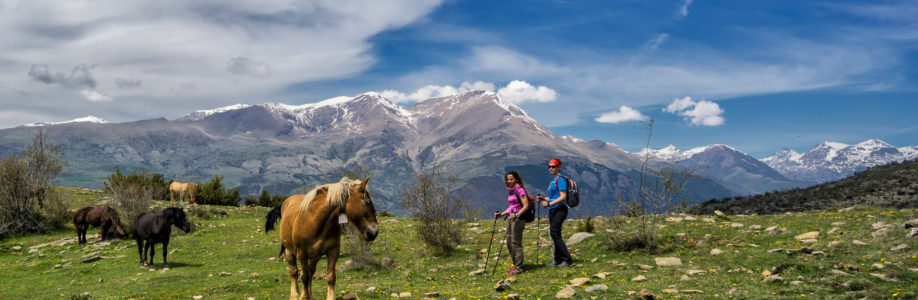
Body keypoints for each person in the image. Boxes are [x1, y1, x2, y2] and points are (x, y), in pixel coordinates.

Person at [538, 158, 573, 267]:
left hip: (560, 209)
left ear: (559, 167)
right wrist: (545, 199)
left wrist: (549, 204)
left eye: (554, 166)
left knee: (554, 234)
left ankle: (568, 260)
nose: (551, 168)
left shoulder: (560, 179)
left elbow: (563, 196)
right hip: (553, 209)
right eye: (550, 166)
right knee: (555, 234)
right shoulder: (554, 180)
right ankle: (558, 260)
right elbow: (555, 197)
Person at [495, 170, 531, 275]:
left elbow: (526, 206)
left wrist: (517, 215)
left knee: (516, 243)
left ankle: (519, 268)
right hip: (511, 218)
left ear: (516, 179)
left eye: (512, 179)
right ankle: (516, 265)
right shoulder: (512, 190)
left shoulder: (520, 190)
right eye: (508, 179)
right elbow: (512, 206)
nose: (510, 181)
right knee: (509, 242)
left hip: (518, 219)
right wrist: (501, 214)